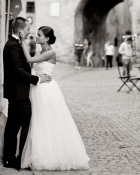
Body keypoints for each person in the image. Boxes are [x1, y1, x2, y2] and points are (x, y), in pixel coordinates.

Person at [19, 26, 90, 170]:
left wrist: (22, 42)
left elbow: (29, 59)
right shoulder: (42, 51)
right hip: (38, 87)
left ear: (47, 38)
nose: (36, 37)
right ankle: (39, 153)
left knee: (46, 120)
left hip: (46, 89)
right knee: (37, 121)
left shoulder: (51, 52)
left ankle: (49, 156)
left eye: (39, 35)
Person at [3, 17, 51, 170]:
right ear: (20, 30)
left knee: (12, 126)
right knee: (26, 126)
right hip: (20, 94)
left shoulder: (13, 44)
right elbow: (18, 71)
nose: (29, 31)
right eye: (28, 28)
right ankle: (20, 160)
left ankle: (9, 159)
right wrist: (37, 79)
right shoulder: (13, 46)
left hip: (16, 93)